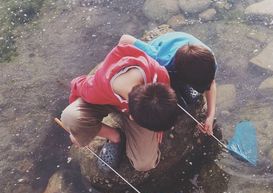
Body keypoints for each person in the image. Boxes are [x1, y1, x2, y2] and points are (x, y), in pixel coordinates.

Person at [60, 43, 178, 172]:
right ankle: (115, 136)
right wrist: (79, 133)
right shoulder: (98, 88)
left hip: (135, 106)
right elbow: (77, 85)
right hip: (106, 101)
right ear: (132, 118)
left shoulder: (160, 75)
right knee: (70, 117)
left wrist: (158, 126)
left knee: (144, 163)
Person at [118, 32, 217, 135]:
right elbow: (125, 39)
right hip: (164, 49)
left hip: (182, 51)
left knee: (190, 101)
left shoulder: (209, 61)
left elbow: (211, 84)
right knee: (174, 107)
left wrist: (210, 115)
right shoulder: (158, 59)